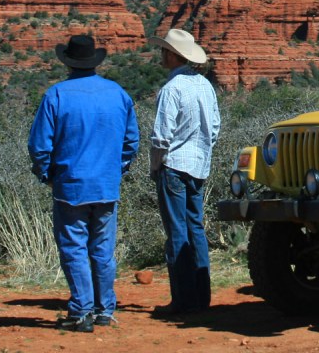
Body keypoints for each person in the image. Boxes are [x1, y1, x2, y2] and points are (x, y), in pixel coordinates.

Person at [28, 34, 139, 333]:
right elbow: (131, 142)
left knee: (74, 248)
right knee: (103, 249)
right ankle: (105, 310)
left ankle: (80, 312)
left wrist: (47, 175)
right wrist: (117, 170)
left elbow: (40, 146)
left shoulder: (57, 95)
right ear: (94, 61)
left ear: (68, 62)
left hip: (70, 185)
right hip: (106, 186)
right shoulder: (118, 94)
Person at [149, 28, 221, 316]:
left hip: (174, 166)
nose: (160, 55)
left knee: (177, 232)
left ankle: (182, 300)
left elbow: (161, 136)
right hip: (199, 166)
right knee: (196, 228)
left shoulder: (171, 89)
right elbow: (214, 128)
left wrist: (156, 165)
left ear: (172, 54)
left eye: (164, 50)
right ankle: (202, 298)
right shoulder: (205, 86)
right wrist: (203, 151)